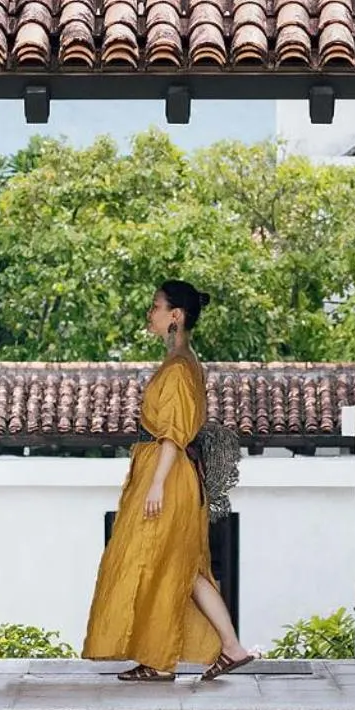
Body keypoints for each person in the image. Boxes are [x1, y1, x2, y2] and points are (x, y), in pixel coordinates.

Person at [82, 280, 254, 683]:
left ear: (175, 315)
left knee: (156, 561)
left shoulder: (179, 368)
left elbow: (174, 433)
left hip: (169, 476)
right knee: (183, 567)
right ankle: (231, 648)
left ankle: (161, 661)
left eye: (156, 306)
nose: (150, 313)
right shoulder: (182, 361)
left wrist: (157, 484)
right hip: (171, 475)